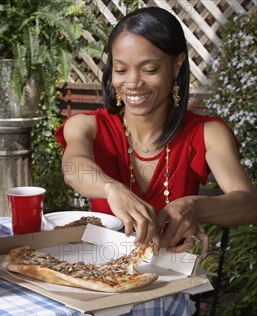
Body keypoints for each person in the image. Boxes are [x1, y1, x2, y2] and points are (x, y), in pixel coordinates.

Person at [54, 7, 257, 254]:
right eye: (121, 70)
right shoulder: (87, 126)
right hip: (103, 273)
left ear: (176, 65)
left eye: (149, 69)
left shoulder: (207, 133)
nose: (133, 83)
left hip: (173, 277)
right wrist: (111, 188)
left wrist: (194, 206)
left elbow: (248, 203)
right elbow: (73, 167)